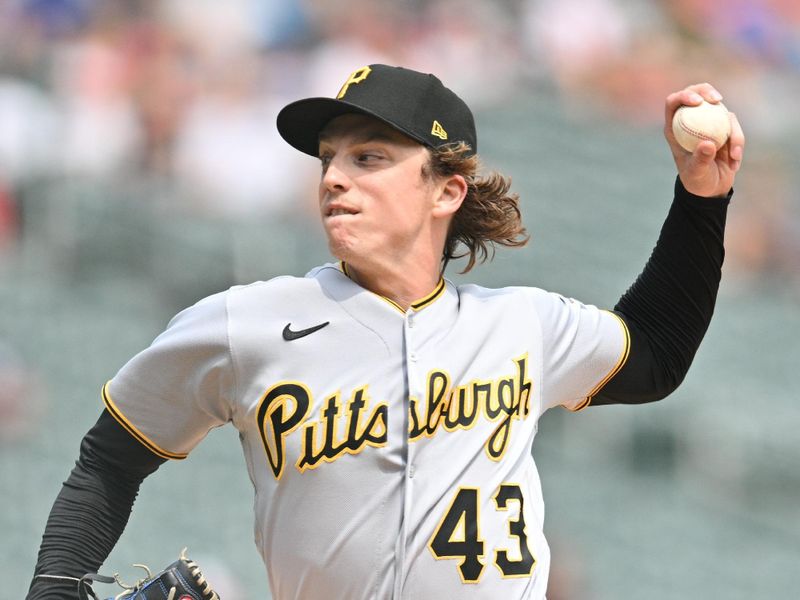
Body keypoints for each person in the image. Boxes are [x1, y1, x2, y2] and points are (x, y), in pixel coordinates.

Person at [27, 64, 744, 599]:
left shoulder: (522, 325)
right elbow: (108, 462)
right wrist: (55, 591)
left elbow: (654, 354)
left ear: (446, 190)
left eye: (369, 157)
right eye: (330, 157)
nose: (335, 176)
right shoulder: (246, 324)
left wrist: (702, 198)